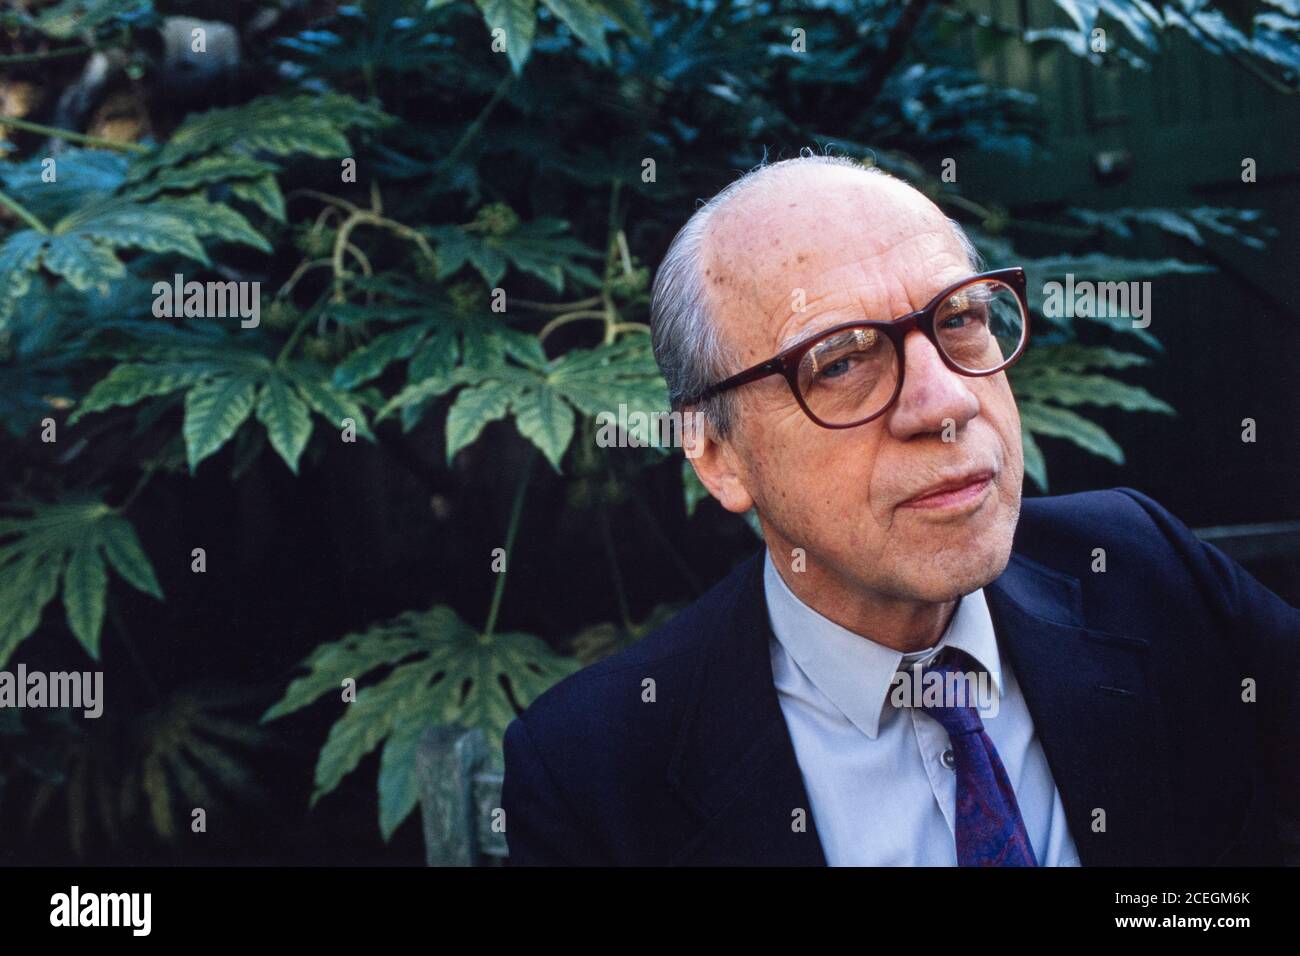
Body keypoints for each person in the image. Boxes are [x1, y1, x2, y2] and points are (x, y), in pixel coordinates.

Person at [501, 154, 1300, 866]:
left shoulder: (1144, 568)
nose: (946, 402)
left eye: (959, 320)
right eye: (842, 361)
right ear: (718, 455)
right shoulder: (596, 768)